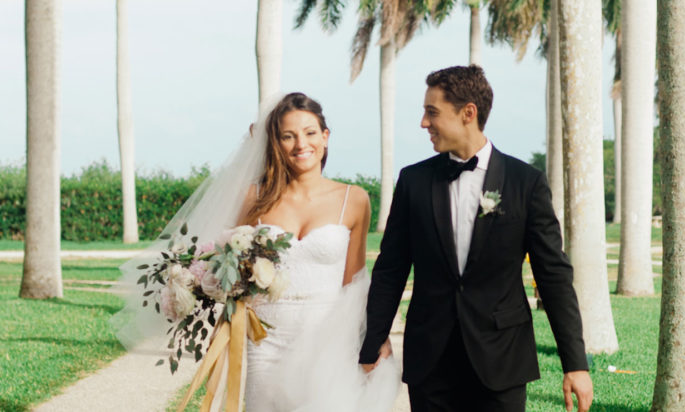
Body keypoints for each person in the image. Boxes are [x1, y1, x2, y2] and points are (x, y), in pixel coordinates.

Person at [112, 92, 399, 412]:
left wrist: (375, 336)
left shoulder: (354, 199)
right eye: (287, 136)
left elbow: (355, 282)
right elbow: (229, 265)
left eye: (310, 133)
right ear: (275, 143)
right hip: (266, 340)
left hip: (328, 338)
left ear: (325, 137)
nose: (301, 144)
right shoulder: (253, 198)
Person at [359, 66, 593, 412]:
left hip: (502, 360)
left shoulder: (525, 183)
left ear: (468, 113)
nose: (424, 123)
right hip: (430, 362)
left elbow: (553, 276)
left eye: (432, 112)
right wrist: (374, 338)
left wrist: (575, 363)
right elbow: (391, 267)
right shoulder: (413, 182)